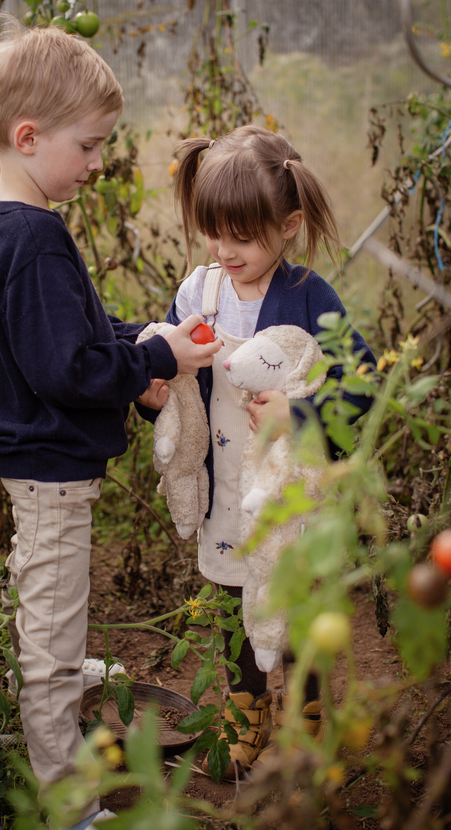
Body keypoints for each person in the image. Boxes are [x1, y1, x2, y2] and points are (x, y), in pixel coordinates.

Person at [0, 19, 222, 827]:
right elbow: (64, 370)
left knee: (49, 587)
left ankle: (56, 668)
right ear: (28, 135)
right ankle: (65, 801)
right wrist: (150, 364)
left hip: (41, 466)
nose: (98, 162)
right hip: (49, 470)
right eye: (89, 145)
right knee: (50, 609)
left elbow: (76, 336)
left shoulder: (21, 225)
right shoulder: (37, 241)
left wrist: (140, 343)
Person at [164, 124, 376, 780]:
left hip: (291, 495)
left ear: (288, 225)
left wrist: (300, 411)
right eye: (213, 232)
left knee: (297, 607)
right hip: (228, 487)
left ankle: (307, 717)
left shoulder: (311, 296)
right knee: (233, 601)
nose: (225, 250)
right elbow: (183, 373)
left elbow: (361, 383)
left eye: (243, 237)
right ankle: (246, 714)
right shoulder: (201, 292)